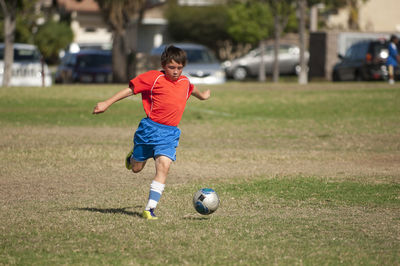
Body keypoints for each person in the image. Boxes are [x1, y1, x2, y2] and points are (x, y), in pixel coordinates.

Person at [92, 45, 210, 220]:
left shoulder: (185, 82)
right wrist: (106, 103)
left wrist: (203, 96)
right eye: (172, 67)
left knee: (164, 166)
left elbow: (192, 90)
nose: (176, 72)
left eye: (179, 68)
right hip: (149, 130)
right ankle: (133, 156)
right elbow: (130, 90)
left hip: (170, 134)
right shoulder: (154, 78)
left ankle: (150, 208)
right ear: (163, 65)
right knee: (136, 168)